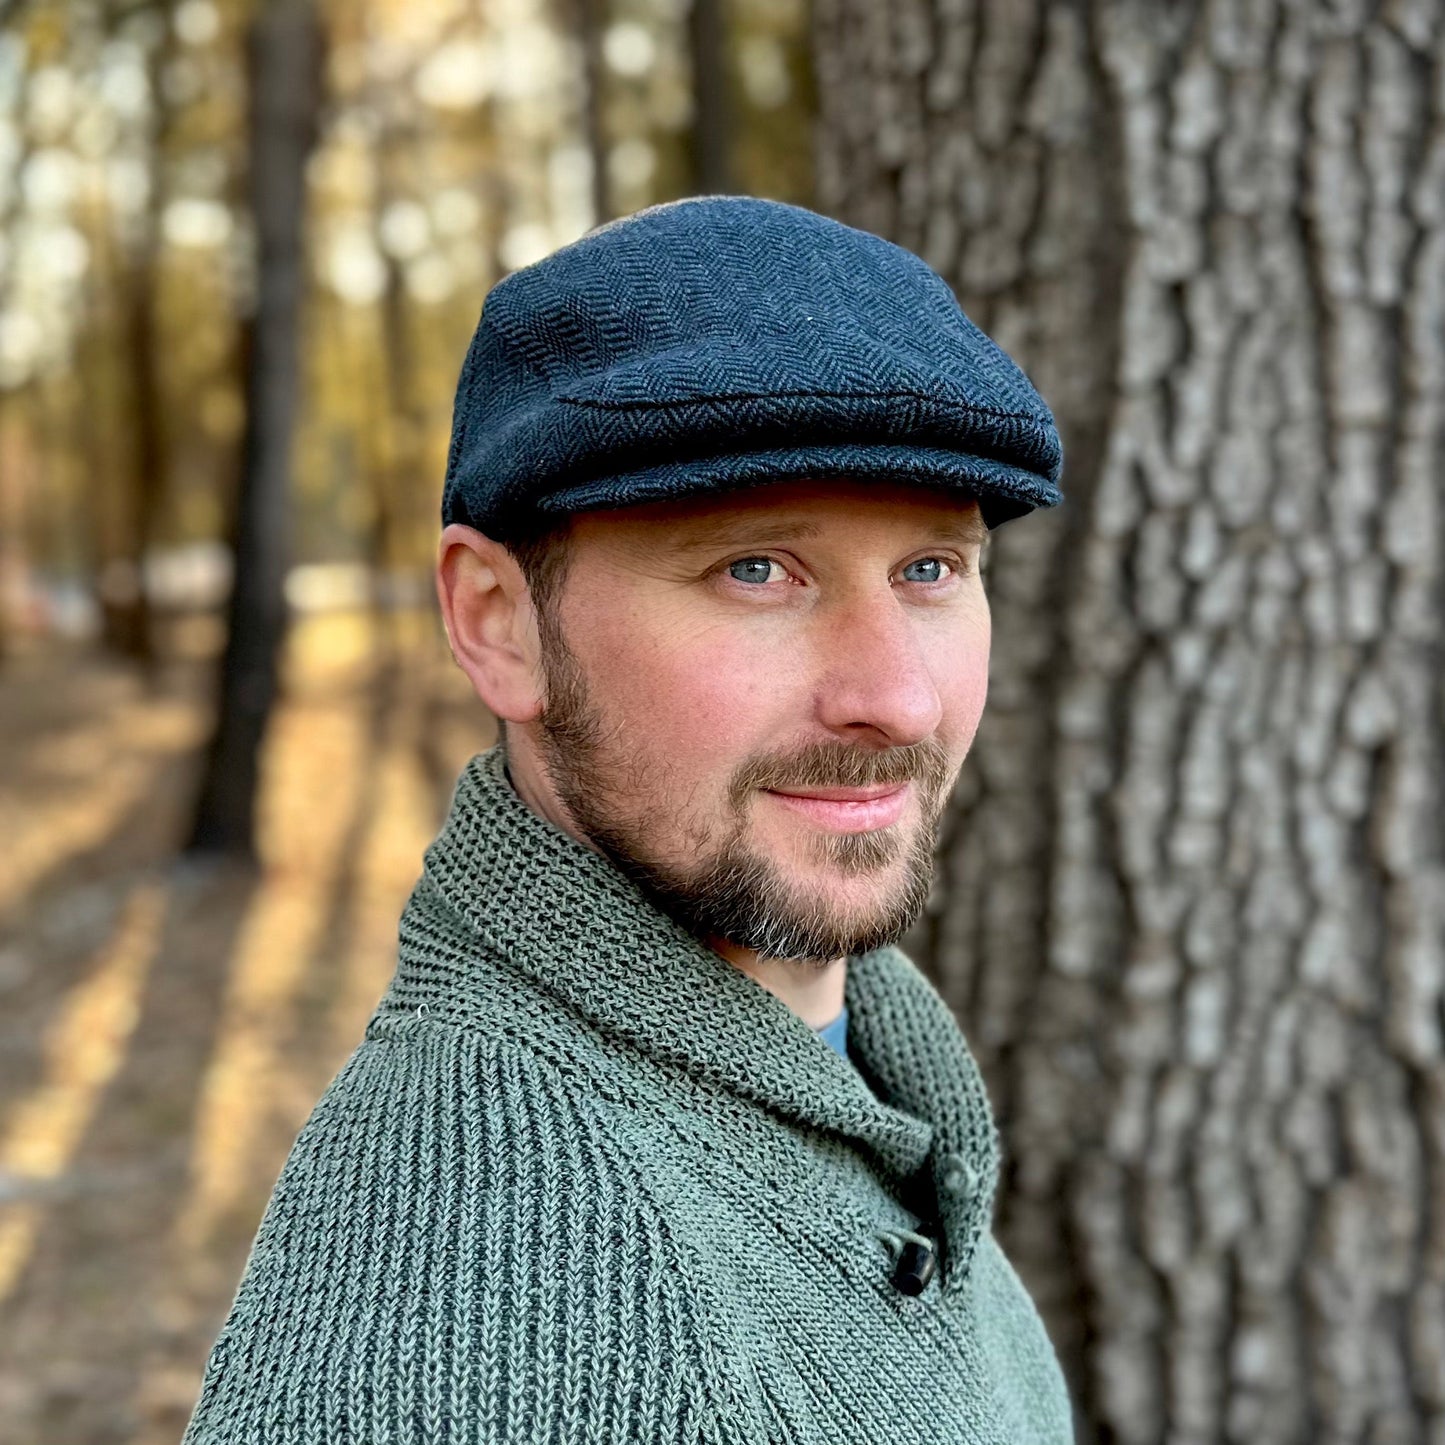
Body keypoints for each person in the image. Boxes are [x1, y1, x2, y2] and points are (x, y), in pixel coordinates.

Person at [180, 195, 1073, 1444]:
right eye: (754, 569)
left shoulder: (853, 1067)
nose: (896, 696)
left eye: (930, 569)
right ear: (497, 619)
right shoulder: (491, 1290)